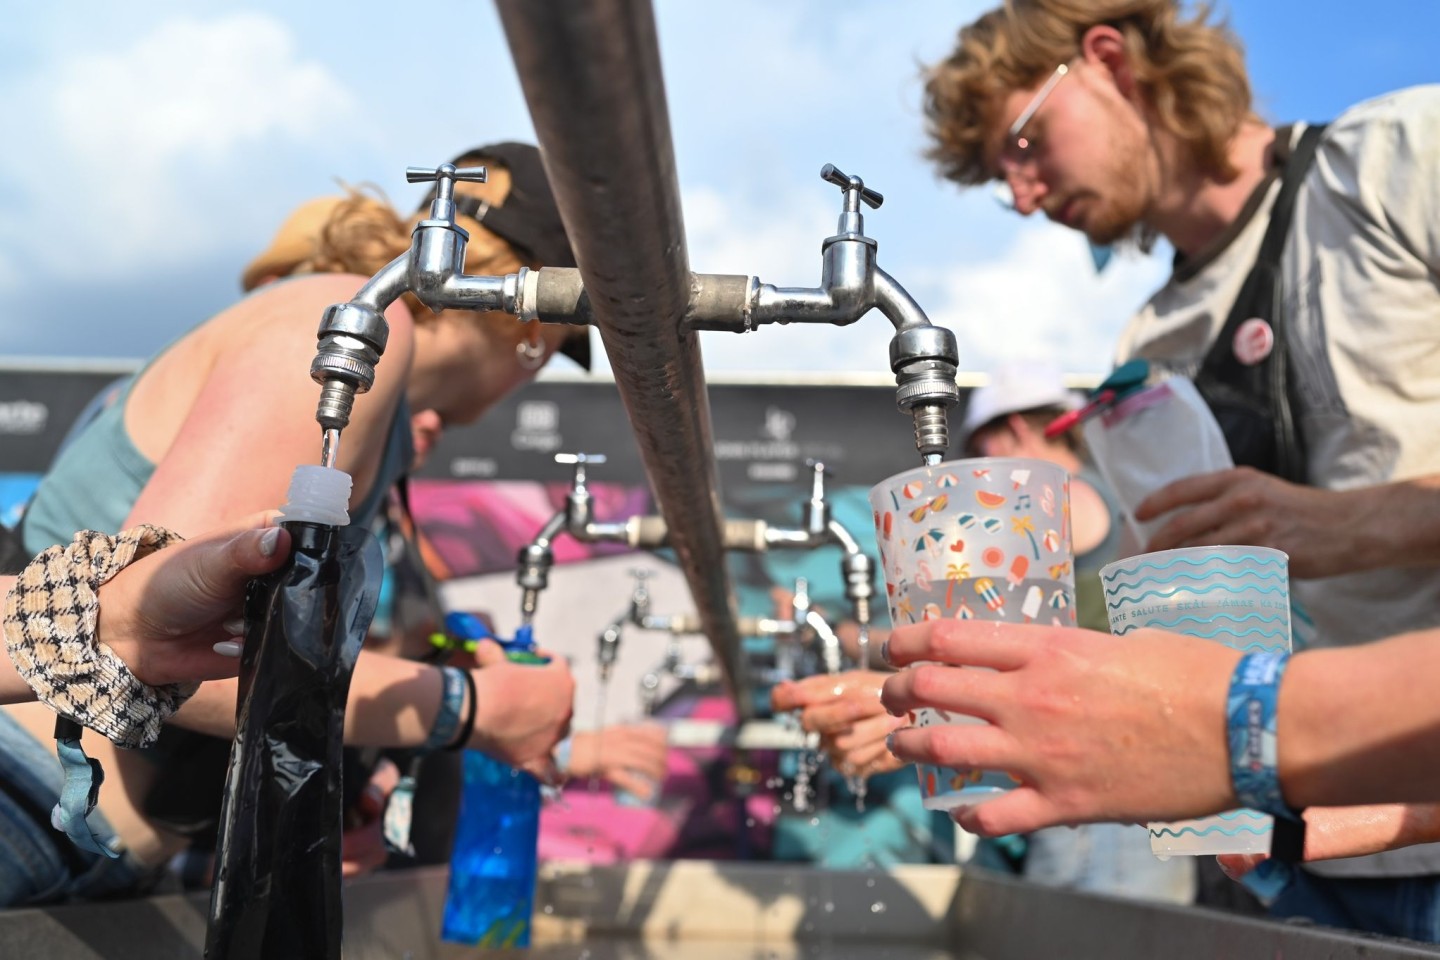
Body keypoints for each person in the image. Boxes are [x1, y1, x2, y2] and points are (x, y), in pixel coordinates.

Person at [921, 0, 1440, 938]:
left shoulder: (1395, 160)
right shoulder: (1148, 345)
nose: (1026, 194)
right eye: (1002, 180)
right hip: (1295, 865)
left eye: (1024, 143)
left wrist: (1353, 524)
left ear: (1111, 60)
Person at [0, 142, 581, 906]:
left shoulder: (377, 385)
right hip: (24, 800)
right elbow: (176, 644)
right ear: (529, 329)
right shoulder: (361, 330)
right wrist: (469, 708)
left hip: (63, 828)